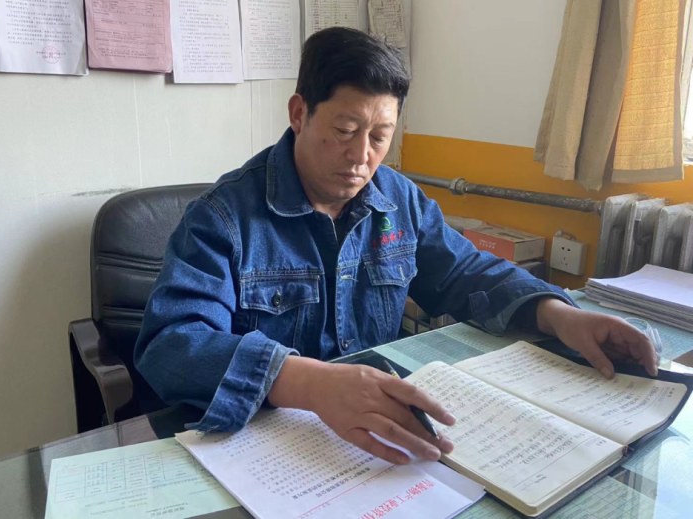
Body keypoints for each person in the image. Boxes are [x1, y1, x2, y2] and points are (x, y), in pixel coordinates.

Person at [135, 27, 658, 466]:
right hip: (267, 444)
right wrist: (308, 383)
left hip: (377, 439)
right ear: (298, 114)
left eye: (380, 136)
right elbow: (171, 343)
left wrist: (559, 315)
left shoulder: (398, 200)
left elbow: (466, 272)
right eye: (345, 130)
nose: (361, 156)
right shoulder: (223, 218)